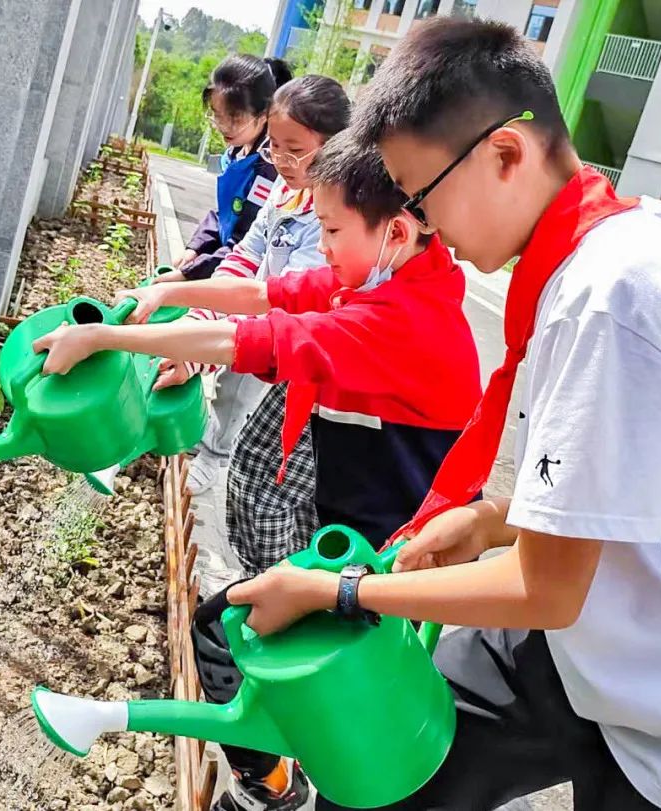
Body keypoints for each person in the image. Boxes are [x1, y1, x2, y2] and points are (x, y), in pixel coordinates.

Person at [226, 17, 661, 811]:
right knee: (393, 757)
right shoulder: (606, 253)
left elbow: (545, 591)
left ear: (504, 155)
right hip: (600, 621)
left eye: (422, 194)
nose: (425, 221)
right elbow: (656, 479)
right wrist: (495, 519)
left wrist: (340, 591)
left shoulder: (607, 299)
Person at [32, 131, 482, 810]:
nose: (321, 244)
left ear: (393, 231)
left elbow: (243, 341)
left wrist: (105, 337)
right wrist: (175, 291)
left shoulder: (402, 321)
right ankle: (283, 776)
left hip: (390, 564)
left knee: (232, 630)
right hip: (360, 538)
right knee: (265, 652)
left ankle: (270, 784)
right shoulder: (386, 278)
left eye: (330, 228)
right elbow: (272, 296)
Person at [177, 75, 350, 503]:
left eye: (296, 151)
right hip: (263, 313)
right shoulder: (284, 190)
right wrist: (203, 313)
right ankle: (210, 444)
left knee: (243, 395)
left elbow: (284, 296)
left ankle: (216, 457)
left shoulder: (334, 214)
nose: (282, 161)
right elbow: (247, 254)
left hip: (296, 336)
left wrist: (203, 342)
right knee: (231, 380)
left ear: (336, 146)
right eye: (275, 147)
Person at [155, 54, 290, 285]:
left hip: (244, 276)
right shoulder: (238, 152)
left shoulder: (269, 167)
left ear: (264, 113)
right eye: (218, 116)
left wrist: (189, 273)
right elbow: (224, 214)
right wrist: (194, 249)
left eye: (235, 119)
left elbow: (245, 240)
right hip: (221, 263)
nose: (223, 127)